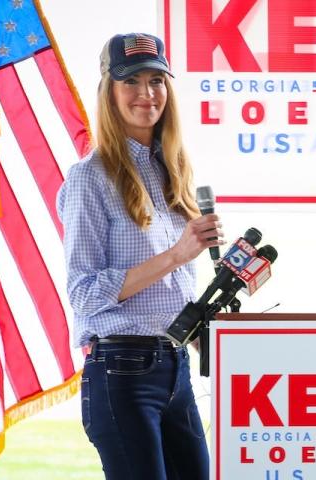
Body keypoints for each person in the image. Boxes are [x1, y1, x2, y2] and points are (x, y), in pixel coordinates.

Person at [57, 33, 222, 480]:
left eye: (156, 80)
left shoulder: (174, 169)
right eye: (131, 81)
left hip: (176, 366)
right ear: (109, 91)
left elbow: (172, 288)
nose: (146, 94)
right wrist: (177, 253)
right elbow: (85, 295)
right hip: (122, 373)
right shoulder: (89, 178)